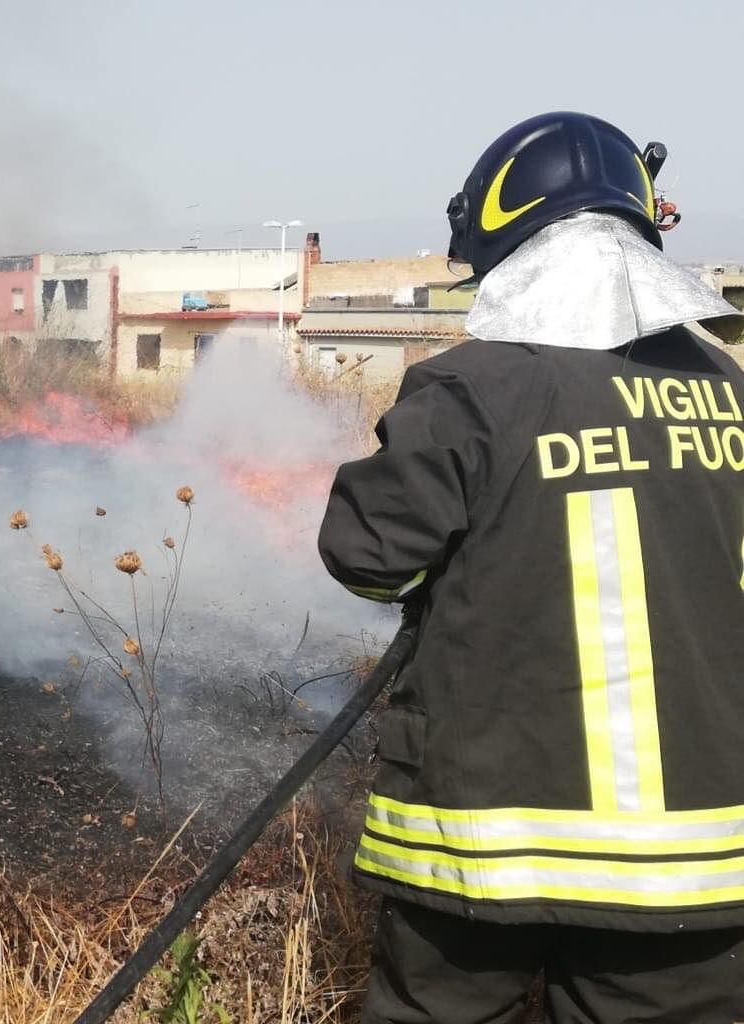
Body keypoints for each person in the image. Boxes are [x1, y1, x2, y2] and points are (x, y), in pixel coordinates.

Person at [317, 111, 744, 1023]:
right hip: (702, 860)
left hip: (488, 849)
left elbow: (368, 562)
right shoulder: (731, 392)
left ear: (506, 241)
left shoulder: (473, 388)